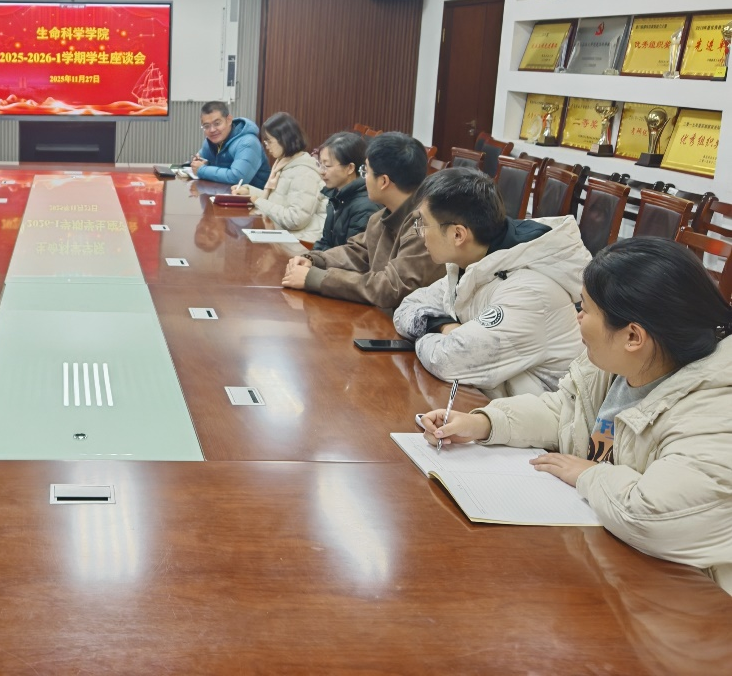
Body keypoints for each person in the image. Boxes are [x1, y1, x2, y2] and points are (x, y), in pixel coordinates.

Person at [421, 237, 732, 595]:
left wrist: (588, 475)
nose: (577, 317)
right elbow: (564, 411)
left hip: (686, 598)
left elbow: (654, 515)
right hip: (607, 559)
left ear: (633, 336)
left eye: (585, 309)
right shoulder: (620, 365)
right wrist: (484, 423)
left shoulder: (715, 409)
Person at [393, 167, 590, 398]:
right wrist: (443, 326)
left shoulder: (529, 292)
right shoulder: (476, 265)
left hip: (539, 417)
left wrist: (424, 336)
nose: (420, 233)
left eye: (424, 224)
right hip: (488, 407)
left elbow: (448, 361)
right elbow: (407, 307)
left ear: (458, 235)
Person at [282, 131, 439, 307]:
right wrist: (314, 260)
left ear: (384, 181)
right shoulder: (382, 216)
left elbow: (392, 287)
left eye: (366, 171)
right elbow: (357, 252)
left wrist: (316, 278)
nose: (363, 178)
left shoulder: (424, 226)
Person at [230, 112, 326, 243]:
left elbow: (295, 219)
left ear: (285, 139)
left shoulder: (304, 172)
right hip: (285, 234)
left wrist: (258, 201)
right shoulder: (285, 163)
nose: (266, 146)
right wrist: (249, 192)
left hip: (302, 241)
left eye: (269, 141)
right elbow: (279, 200)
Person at [313, 131, 379, 251]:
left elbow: (352, 255)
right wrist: (309, 257)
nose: (321, 171)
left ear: (350, 168)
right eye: (320, 164)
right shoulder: (337, 196)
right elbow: (326, 241)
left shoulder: (365, 207)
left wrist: (314, 259)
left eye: (327, 166)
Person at [190, 101, 270, 189]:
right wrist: (197, 161)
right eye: (206, 126)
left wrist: (202, 170)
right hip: (221, 193)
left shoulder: (248, 143)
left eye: (217, 123)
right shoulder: (210, 142)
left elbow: (238, 178)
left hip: (252, 196)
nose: (212, 130)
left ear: (229, 120)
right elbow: (201, 159)